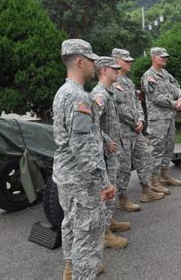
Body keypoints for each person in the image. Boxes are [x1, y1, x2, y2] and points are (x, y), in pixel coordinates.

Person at [52, 39, 115, 279]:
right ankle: (82, 272)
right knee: (87, 233)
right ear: (79, 61)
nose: (94, 65)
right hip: (82, 178)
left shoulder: (63, 92)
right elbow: (83, 145)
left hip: (66, 175)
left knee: (70, 224)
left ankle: (71, 268)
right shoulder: (78, 97)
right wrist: (103, 182)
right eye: (91, 60)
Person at [112, 48, 165, 211]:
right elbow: (120, 109)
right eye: (126, 60)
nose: (130, 63)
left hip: (136, 130)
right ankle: (122, 199)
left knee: (145, 158)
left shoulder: (127, 81)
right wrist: (135, 122)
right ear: (116, 61)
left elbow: (137, 103)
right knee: (124, 167)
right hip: (123, 132)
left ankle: (147, 190)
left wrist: (141, 119)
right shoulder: (114, 82)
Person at [91, 56, 129, 249]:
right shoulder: (100, 94)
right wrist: (106, 141)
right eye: (114, 68)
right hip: (107, 152)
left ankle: (109, 221)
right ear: (104, 70)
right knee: (108, 189)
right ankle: (104, 233)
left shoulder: (109, 92)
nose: (117, 71)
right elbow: (92, 123)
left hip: (114, 150)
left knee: (111, 188)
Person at [141, 47, 181, 190]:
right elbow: (155, 97)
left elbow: (177, 87)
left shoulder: (166, 74)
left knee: (169, 147)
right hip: (158, 120)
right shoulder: (149, 76)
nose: (165, 59)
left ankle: (165, 175)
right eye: (162, 57)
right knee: (157, 150)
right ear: (153, 58)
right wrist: (174, 104)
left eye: (166, 57)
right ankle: (154, 180)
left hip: (170, 118)